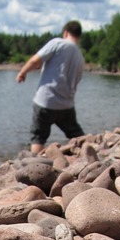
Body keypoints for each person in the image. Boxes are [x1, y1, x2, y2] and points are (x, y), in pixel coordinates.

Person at [16, 20, 85, 153]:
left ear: (65, 32)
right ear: (79, 35)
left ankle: (34, 168)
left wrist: (22, 72)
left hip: (46, 102)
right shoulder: (80, 56)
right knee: (77, 136)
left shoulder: (58, 43)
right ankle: (90, 154)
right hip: (67, 105)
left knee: (38, 137)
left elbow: (36, 60)